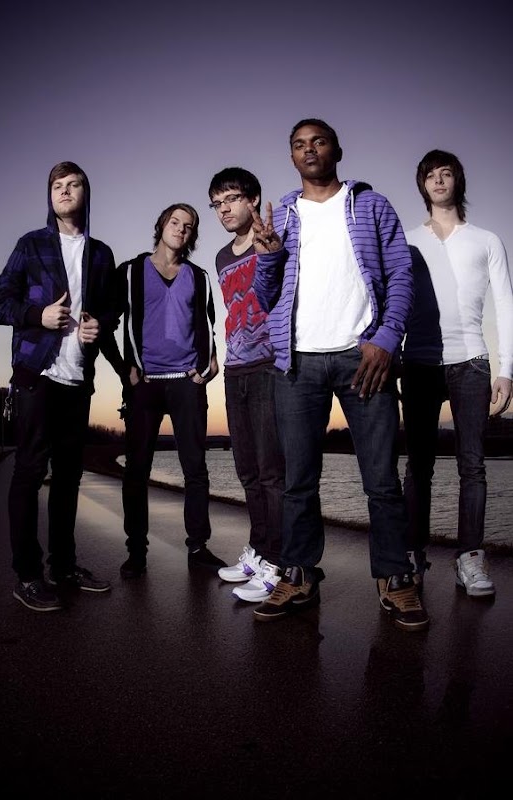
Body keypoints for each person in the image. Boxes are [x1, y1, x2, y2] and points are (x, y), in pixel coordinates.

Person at [251, 118, 429, 630]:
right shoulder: (284, 214)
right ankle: (298, 573)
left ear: (337, 150)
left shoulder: (370, 205)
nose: (309, 150)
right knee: (298, 481)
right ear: (291, 157)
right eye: (299, 145)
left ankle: (395, 576)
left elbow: (401, 275)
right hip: (297, 361)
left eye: (319, 141)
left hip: (362, 358)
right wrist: (268, 258)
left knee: (381, 480)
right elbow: (265, 297)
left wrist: (386, 340)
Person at [0, 161, 118, 611]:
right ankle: (27, 575)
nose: (64, 191)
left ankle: (63, 566)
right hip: (36, 375)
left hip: (77, 378)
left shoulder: (100, 254)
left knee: (68, 477)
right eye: (57, 186)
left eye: (73, 184)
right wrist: (37, 315)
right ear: (50, 196)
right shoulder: (31, 244)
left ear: (86, 193)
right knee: (29, 472)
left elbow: (110, 310)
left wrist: (99, 326)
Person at [401, 149, 513, 597]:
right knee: (418, 467)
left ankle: (470, 558)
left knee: (473, 466)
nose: (438, 180)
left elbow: (505, 303)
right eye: (430, 174)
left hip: (471, 362)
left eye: (446, 173)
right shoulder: (406, 241)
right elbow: (391, 301)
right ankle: (413, 555)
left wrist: (507, 370)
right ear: (423, 185)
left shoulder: (486, 240)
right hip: (418, 362)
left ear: (457, 181)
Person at [111, 203, 227, 578]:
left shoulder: (199, 277)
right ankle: (136, 551)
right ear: (161, 225)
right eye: (175, 222)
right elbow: (104, 322)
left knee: (195, 468)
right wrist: (123, 368)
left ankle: (198, 548)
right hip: (144, 385)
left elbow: (208, 325)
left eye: (188, 226)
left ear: (193, 235)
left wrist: (210, 363)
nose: (181, 229)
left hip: (185, 384)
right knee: (137, 469)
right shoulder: (131, 272)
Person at [208, 167, 285, 602]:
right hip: (235, 368)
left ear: (253, 199)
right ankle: (258, 550)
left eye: (231, 199)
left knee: (272, 471)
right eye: (217, 204)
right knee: (248, 471)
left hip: (269, 365)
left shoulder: (272, 239)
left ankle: (278, 561)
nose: (224, 210)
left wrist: (271, 250)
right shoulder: (221, 257)